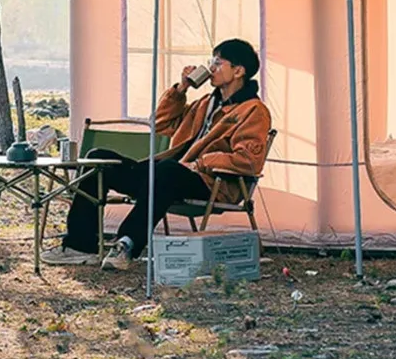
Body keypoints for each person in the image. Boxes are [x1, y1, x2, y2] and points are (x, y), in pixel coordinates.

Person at [42, 38, 271, 269]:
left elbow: (248, 161)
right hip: (169, 176)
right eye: (210, 61)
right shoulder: (205, 103)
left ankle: (126, 244)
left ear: (239, 71)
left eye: (218, 63)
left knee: (167, 170)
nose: (211, 68)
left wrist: (201, 164)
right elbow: (160, 124)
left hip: (212, 182)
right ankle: (79, 246)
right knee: (98, 158)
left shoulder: (253, 111)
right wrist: (181, 90)